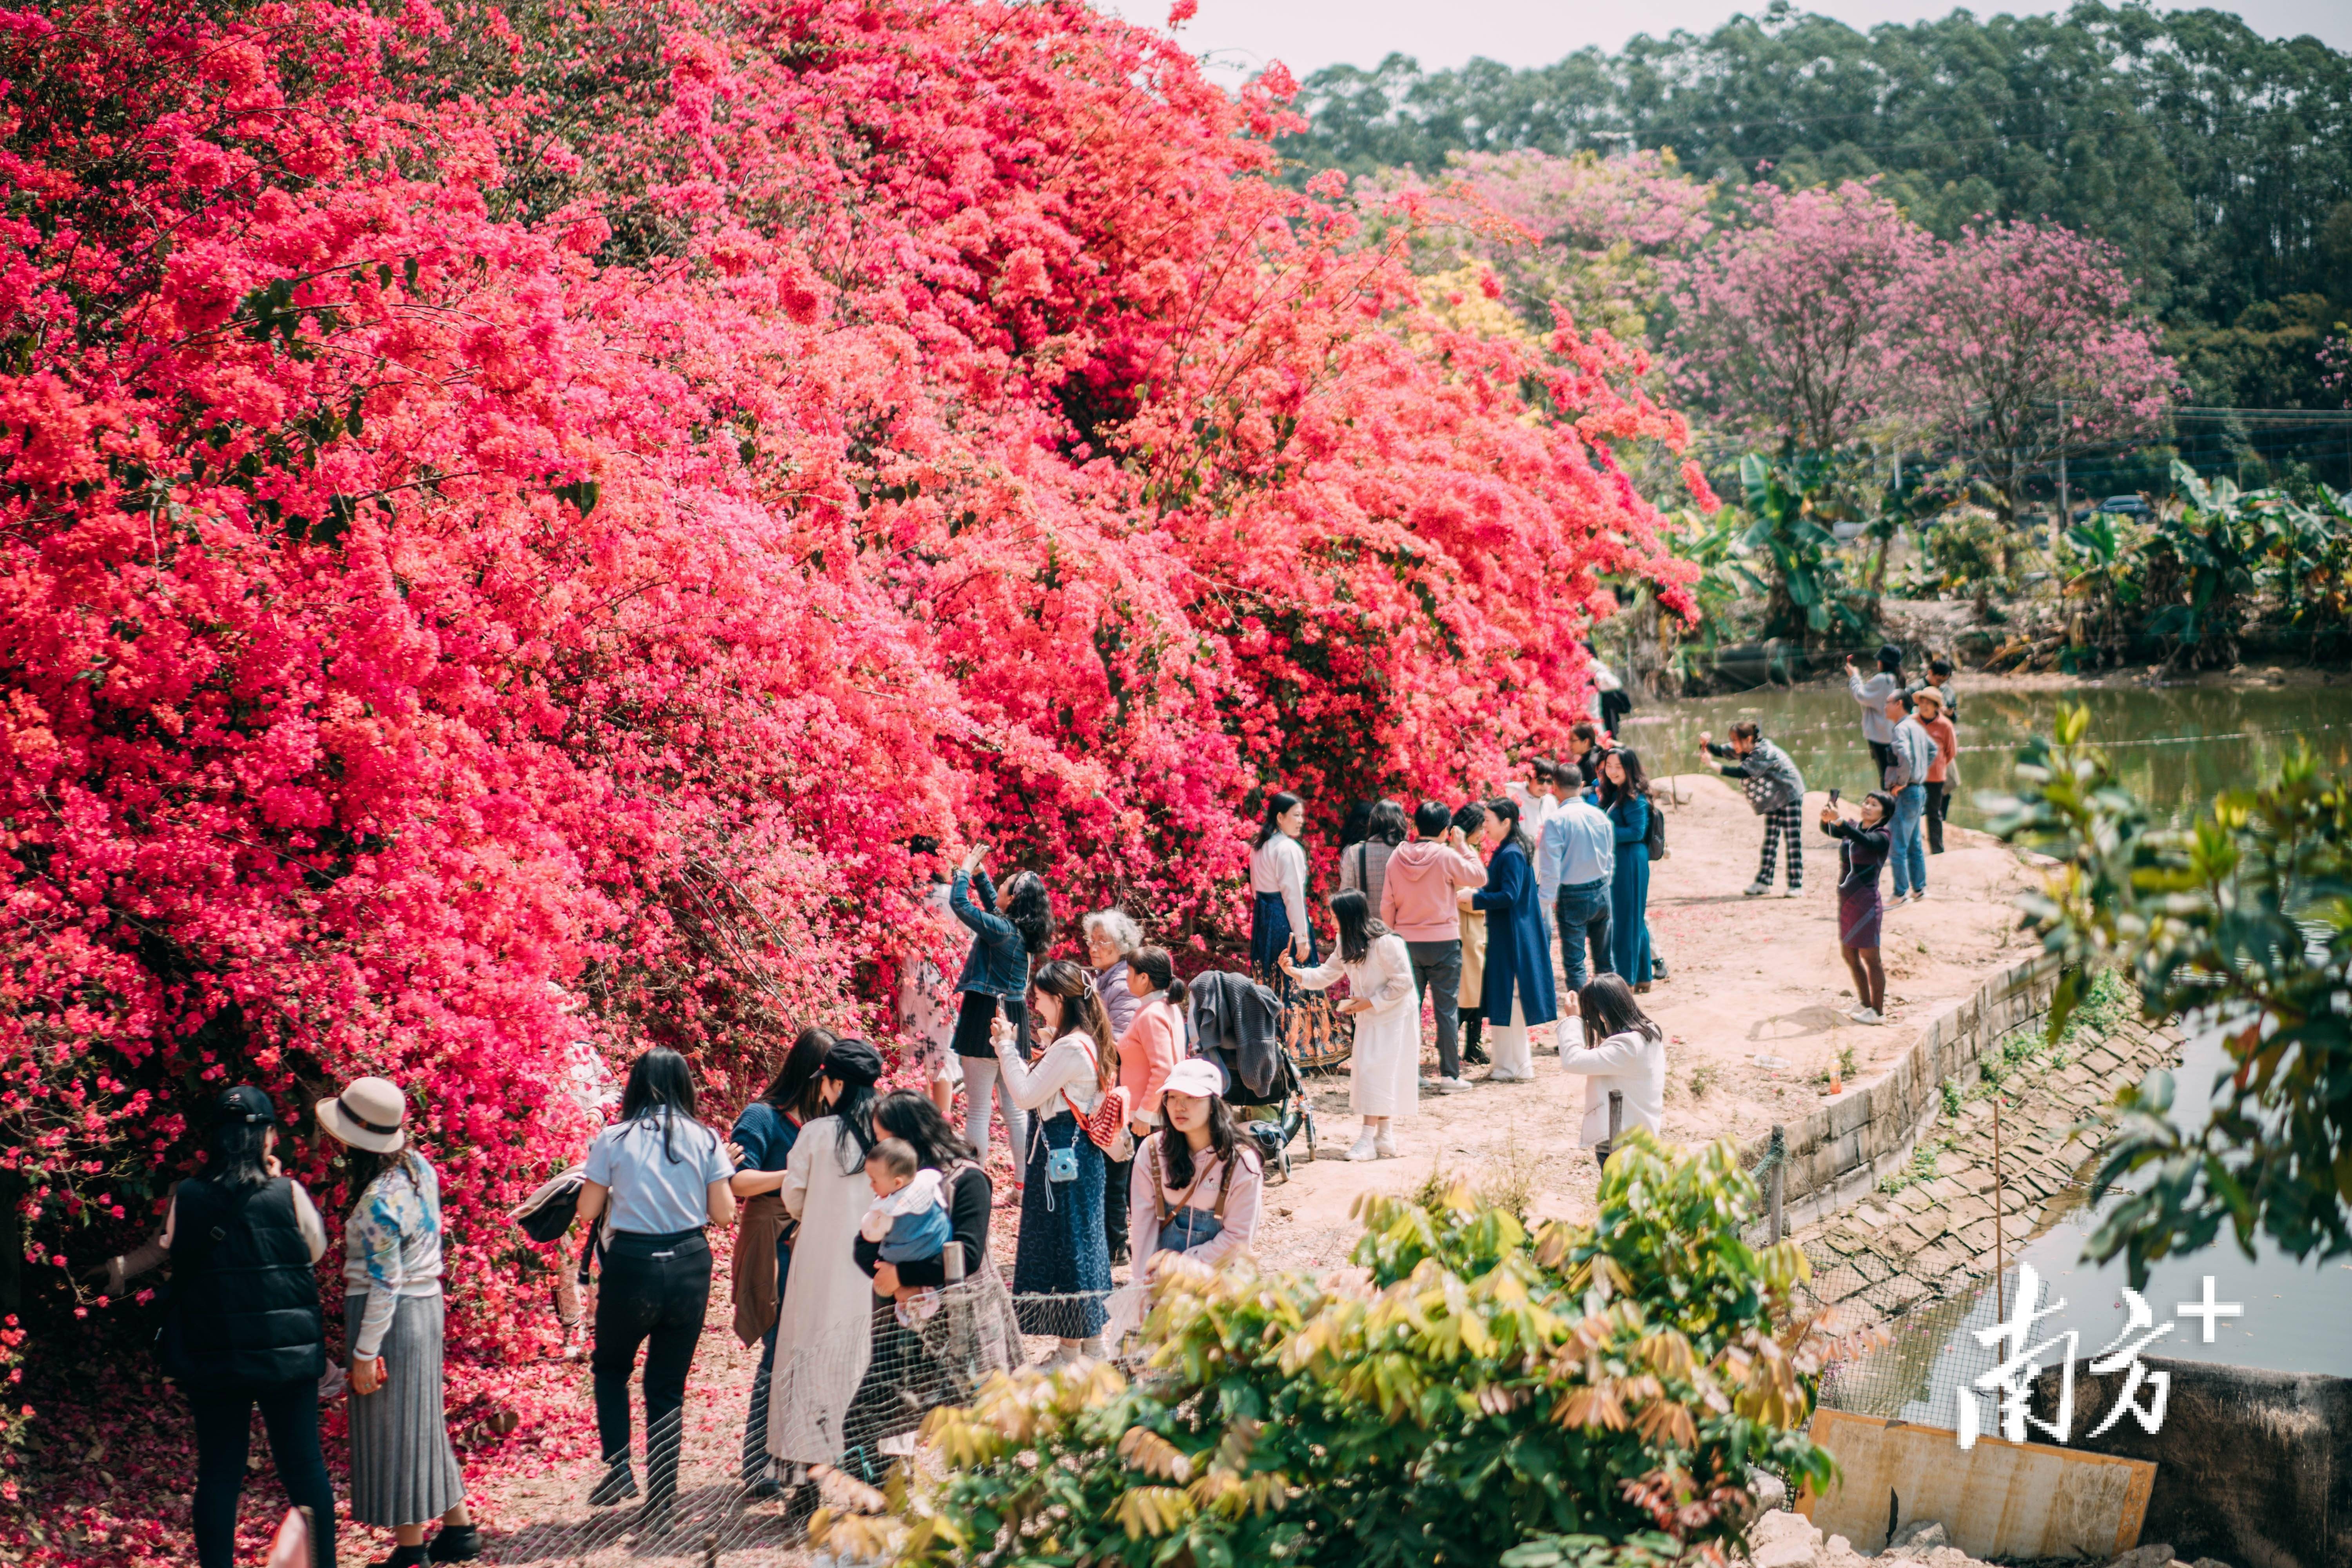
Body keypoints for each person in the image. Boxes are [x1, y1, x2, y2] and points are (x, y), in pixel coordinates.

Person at [163, 1086, 337, 1568]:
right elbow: (315, 1252)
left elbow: (176, 1252)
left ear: (215, 1140)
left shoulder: (189, 1196)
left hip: (215, 1356)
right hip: (287, 1356)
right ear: (267, 1137)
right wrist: (276, 1186)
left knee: (219, 1474)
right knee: (304, 1470)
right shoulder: (289, 1194)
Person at [316, 1077, 475, 1566]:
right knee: (423, 1421)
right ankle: (459, 1530)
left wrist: (364, 1355)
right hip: (427, 1305)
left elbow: (384, 1284)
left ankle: (411, 1550)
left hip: (391, 1316)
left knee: (394, 1430)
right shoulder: (418, 1167)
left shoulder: (377, 1201)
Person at [577, 1050, 738, 1521]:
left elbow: (588, 1211)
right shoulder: (706, 1138)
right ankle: (663, 1499)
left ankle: (618, 1466)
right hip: (689, 1262)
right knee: (667, 1385)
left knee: (611, 1368)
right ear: (685, 1086)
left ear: (636, 1085)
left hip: (632, 1264)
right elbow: (725, 1213)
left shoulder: (613, 1138)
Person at [839, 1093, 1021, 1473]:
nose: (879, 1147)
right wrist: (892, 1282)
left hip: (965, 1324)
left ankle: (983, 1506)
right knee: (873, 1415)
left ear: (911, 1134)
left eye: (883, 1136)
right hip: (903, 1326)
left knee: (977, 1422)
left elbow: (968, 1255)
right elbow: (862, 1247)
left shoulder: (966, 1179)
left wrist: (902, 1278)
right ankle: (881, 1499)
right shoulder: (896, 1182)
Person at [767, 1038, 886, 1497]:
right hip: (879, 1267)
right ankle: (874, 1467)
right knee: (869, 1359)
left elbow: (793, 1197)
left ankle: (810, 1480)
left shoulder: (817, 1134)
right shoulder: (890, 1130)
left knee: (814, 1356)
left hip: (820, 1264)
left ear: (837, 1083)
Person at [989, 959, 1116, 1359]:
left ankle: (1069, 1351)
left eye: (1040, 997)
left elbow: (1025, 1094)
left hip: (1063, 1157)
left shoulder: (1070, 1046)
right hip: (1075, 1156)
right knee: (1082, 1243)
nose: (1035, 1004)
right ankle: (1092, 1344)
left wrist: (1005, 1045)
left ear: (1059, 999)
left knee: (1069, 1247)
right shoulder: (1083, 1039)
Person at [727, 1025, 831, 1491]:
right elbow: (737, 1182)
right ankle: (758, 1464)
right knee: (777, 1351)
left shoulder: (818, 1122)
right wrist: (796, 1176)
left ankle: (783, 1457)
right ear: (813, 1076)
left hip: (807, 1239)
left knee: (800, 1351)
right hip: (772, 1241)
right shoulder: (761, 1116)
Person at [1282, 889, 1419, 1159]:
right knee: (1376, 1072)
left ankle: (1368, 1141)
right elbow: (1324, 975)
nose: (1331, 922)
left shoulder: (1386, 943)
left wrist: (1370, 1002)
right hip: (1370, 1015)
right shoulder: (1346, 942)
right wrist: (1293, 972)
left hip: (1395, 1015)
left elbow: (1404, 983)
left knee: (1377, 1072)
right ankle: (1384, 1137)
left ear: (1348, 916)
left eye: (1334, 917)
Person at [948, 842, 1051, 1174]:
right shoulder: (1020, 930)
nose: (999, 891)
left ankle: (972, 1181)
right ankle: (1023, 1184)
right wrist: (981, 875)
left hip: (985, 1016)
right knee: (1014, 1107)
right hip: (1015, 1017)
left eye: (1004, 887)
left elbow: (959, 904)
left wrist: (964, 869)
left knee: (978, 1109)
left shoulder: (1002, 931)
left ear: (1014, 901)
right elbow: (995, 904)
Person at [1379, 800, 1486, 1093]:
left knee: (1408, 1009)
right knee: (1447, 1010)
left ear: (1417, 826)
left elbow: (1387, 904)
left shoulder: (1397, 858)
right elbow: (1480, 878)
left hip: (1407, 943)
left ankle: (1408, 1073)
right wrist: (1463, 846)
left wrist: (1392, 937)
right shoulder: (1446, 856)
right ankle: (1450, 1076)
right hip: (1444, 943)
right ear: (1445, 829)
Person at [1124, 1058, 1263, 1274]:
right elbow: (1144, 1226)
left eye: (1191, 1097)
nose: (1180, 1106)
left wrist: (1179, 1267)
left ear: (1213, 1105)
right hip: (1162, 1281)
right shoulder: (1152, 1151)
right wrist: (1143, 1282)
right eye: (1173, 1097)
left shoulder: (1241, 1163)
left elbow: (1238, 1239)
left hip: (1219, 1279)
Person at [1106, 946, 1187, 1265]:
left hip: (1144, 1116)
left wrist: (1144, 1114)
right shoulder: (1160, 1009)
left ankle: (1126, 1249)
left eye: (1129, 973)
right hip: (1147, 1112)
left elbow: (1163, 1067)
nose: (1126, 978)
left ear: (1144, 978)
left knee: (1127, 1184)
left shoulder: (1153, 1014)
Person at [1470, 798, 1558, 1082]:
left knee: (1512, 1002)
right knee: (1508, 1001)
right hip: (1510, 934)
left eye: (1488, 820)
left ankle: (1517, 1066)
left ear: (1506, 822)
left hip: (1513, 938)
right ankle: (1507, 1064)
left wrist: (1475, 899)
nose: (1485, 825)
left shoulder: (1511, 854)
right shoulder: (1511, 850)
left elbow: (1509, 896)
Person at [1556, 976, 1666, 1170]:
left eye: (1590, 1016)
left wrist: (1573, 1019)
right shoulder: (1649, 1032)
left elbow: (1572, 1061)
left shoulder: (1627, 1046)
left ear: (1601, 1013)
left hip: (1622, 1144)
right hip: (1641, 1137)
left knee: (1621, 1200)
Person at [1698, 721, 1808, 897]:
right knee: (1771, 839)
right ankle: (1763, 882)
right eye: (1732, 741)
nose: (1733, 745)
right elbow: (1719, 751)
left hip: (1789, 793)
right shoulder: (1744, 748)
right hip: (1773, 795)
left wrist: (1712, 766)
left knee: (1792, 840)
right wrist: (1705, 743)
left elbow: (1743, 772)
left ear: (1748, 739)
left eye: (1736, 741)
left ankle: (1796, 885)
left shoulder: (1763, 752)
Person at [896, 838, 962, 1118]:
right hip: (943, 981)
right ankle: (942, 1124)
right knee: (941, 1051)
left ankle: (920, 1122)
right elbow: (965, 936)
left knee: (916, 1048)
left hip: (911, 980)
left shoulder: (904, 895)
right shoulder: (951, 895)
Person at [858, 1140, 952, 1325]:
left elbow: (870, 1234)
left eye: (874, 1181)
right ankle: (921, 1303)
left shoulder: (889, 1208)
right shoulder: (925, 1185)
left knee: (880, 1283)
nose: (871, 1186)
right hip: (936, 1249)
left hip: (902, 1259)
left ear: (897, 1182)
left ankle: (892, 1307)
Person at [1821, 790, 1896, 1023]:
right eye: (1866, 802)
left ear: (1884, 814)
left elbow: (1864, 841)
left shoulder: (1882, 835)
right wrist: (1827, 815)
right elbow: (1829, 829)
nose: (1867, 806)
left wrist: (1839, 820)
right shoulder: (1853, 826)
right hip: (1847, 901)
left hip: (1866, 902)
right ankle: (1865, 1004)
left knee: (1871, 958)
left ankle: (1878, 1012)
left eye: (1874, 805)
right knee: (1849, 955)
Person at [1541, 765, 1614, 991]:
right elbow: (1609, 857)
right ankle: (1613, 1008)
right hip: (1602, 890)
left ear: (1555, 788)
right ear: (1582, 785)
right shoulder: (1600, 815)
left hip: (1573, 894)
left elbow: (1551, 868)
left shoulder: (1556, 821)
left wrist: (1544, 901)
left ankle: (1582, 1014)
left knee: (1575, 963)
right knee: (1605, 961)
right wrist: (1605, 883)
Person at [1599, 748, 1655, 993]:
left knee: (1625, 920)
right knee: (1633, 919)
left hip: (1631, 860)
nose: (1612, 772)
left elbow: (1636, 832)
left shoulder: (1634, 797)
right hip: (1623, 859)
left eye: (1618, 767)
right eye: (1609, 766)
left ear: (1629, 768)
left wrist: (1603, 832)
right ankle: (1643, 976)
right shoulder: (1616, 794)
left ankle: (1626, 981)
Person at [1882, 692, 1936, 903]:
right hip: (1919, 790)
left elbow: (1904, 755)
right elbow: (1933, 750)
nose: (1885, 707)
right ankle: (1919, 889)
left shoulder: (1901, 729)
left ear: (1899, 704)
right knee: (1914, 843)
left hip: (1906, 792)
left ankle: (1901, 892)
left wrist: (1903, 781)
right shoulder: (1917, 727)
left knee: (1897, 844)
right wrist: (1920, 771)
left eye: (1887, 703)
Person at [1508, 760, 1563, 954]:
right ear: (1529, 777)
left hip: (1544, 873)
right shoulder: (1514, 795)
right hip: (1522, 875)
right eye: (1541, 780)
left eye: (1550, 782)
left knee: (1545, 929)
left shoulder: (1550, 801)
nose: (1546, 786)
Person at [1452, 801, 1492, 1068]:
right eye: (1480, 827)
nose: (1483, 833)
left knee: (1478, 992)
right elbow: (1463, 894)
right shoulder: (1456, 854)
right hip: (1466, 930)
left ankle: (1472, 1045)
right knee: (1471, 992)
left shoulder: (1468, 851)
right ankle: (1451, 1036)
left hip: (1476, 929)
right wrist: (1485, 900)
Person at [1338, 798, 1408, 919]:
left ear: (1374, 821)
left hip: (1368, 927)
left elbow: (1345, 896)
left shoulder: (1356, 852)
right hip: (1402, 928)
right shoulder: (1409, 852)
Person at [1083, 908, 1145, 1042]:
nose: (1093, 949)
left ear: (1121, 946)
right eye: (1092, 941)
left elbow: (1120, 1040)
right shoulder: (1104, 976)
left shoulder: (1125, 985)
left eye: (1101, 943)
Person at [1846, 644, 1905, 777]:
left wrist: (1854, 676)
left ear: (1883, 662)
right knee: (1894, 774)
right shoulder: (1898, 678)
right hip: (1893, 735)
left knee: (1886, 776)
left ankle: (1887, 797)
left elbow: (1862, 695)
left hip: (1881, 738)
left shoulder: (1883, 679)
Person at [1915, 686, 1958, 855]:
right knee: (1912, 811)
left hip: (1935, 776)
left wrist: (1938, 765)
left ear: (1936, 707)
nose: (1924, 706)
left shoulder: (1945, 725)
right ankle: (1914, 849)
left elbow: (1951, 751)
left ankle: (1937, 849)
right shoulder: (1912, 721)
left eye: (1928, 703)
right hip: (1915, 775)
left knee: (1934, 812)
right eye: (1922, 702)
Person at [1919, 655, 1961, 720]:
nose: (1941, 684)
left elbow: (1955, 718)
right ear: (1930, 672)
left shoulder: (1948, 691)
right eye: (1939, 681)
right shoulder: (1915, 689)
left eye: (1944, 681)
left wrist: (1950, 714)